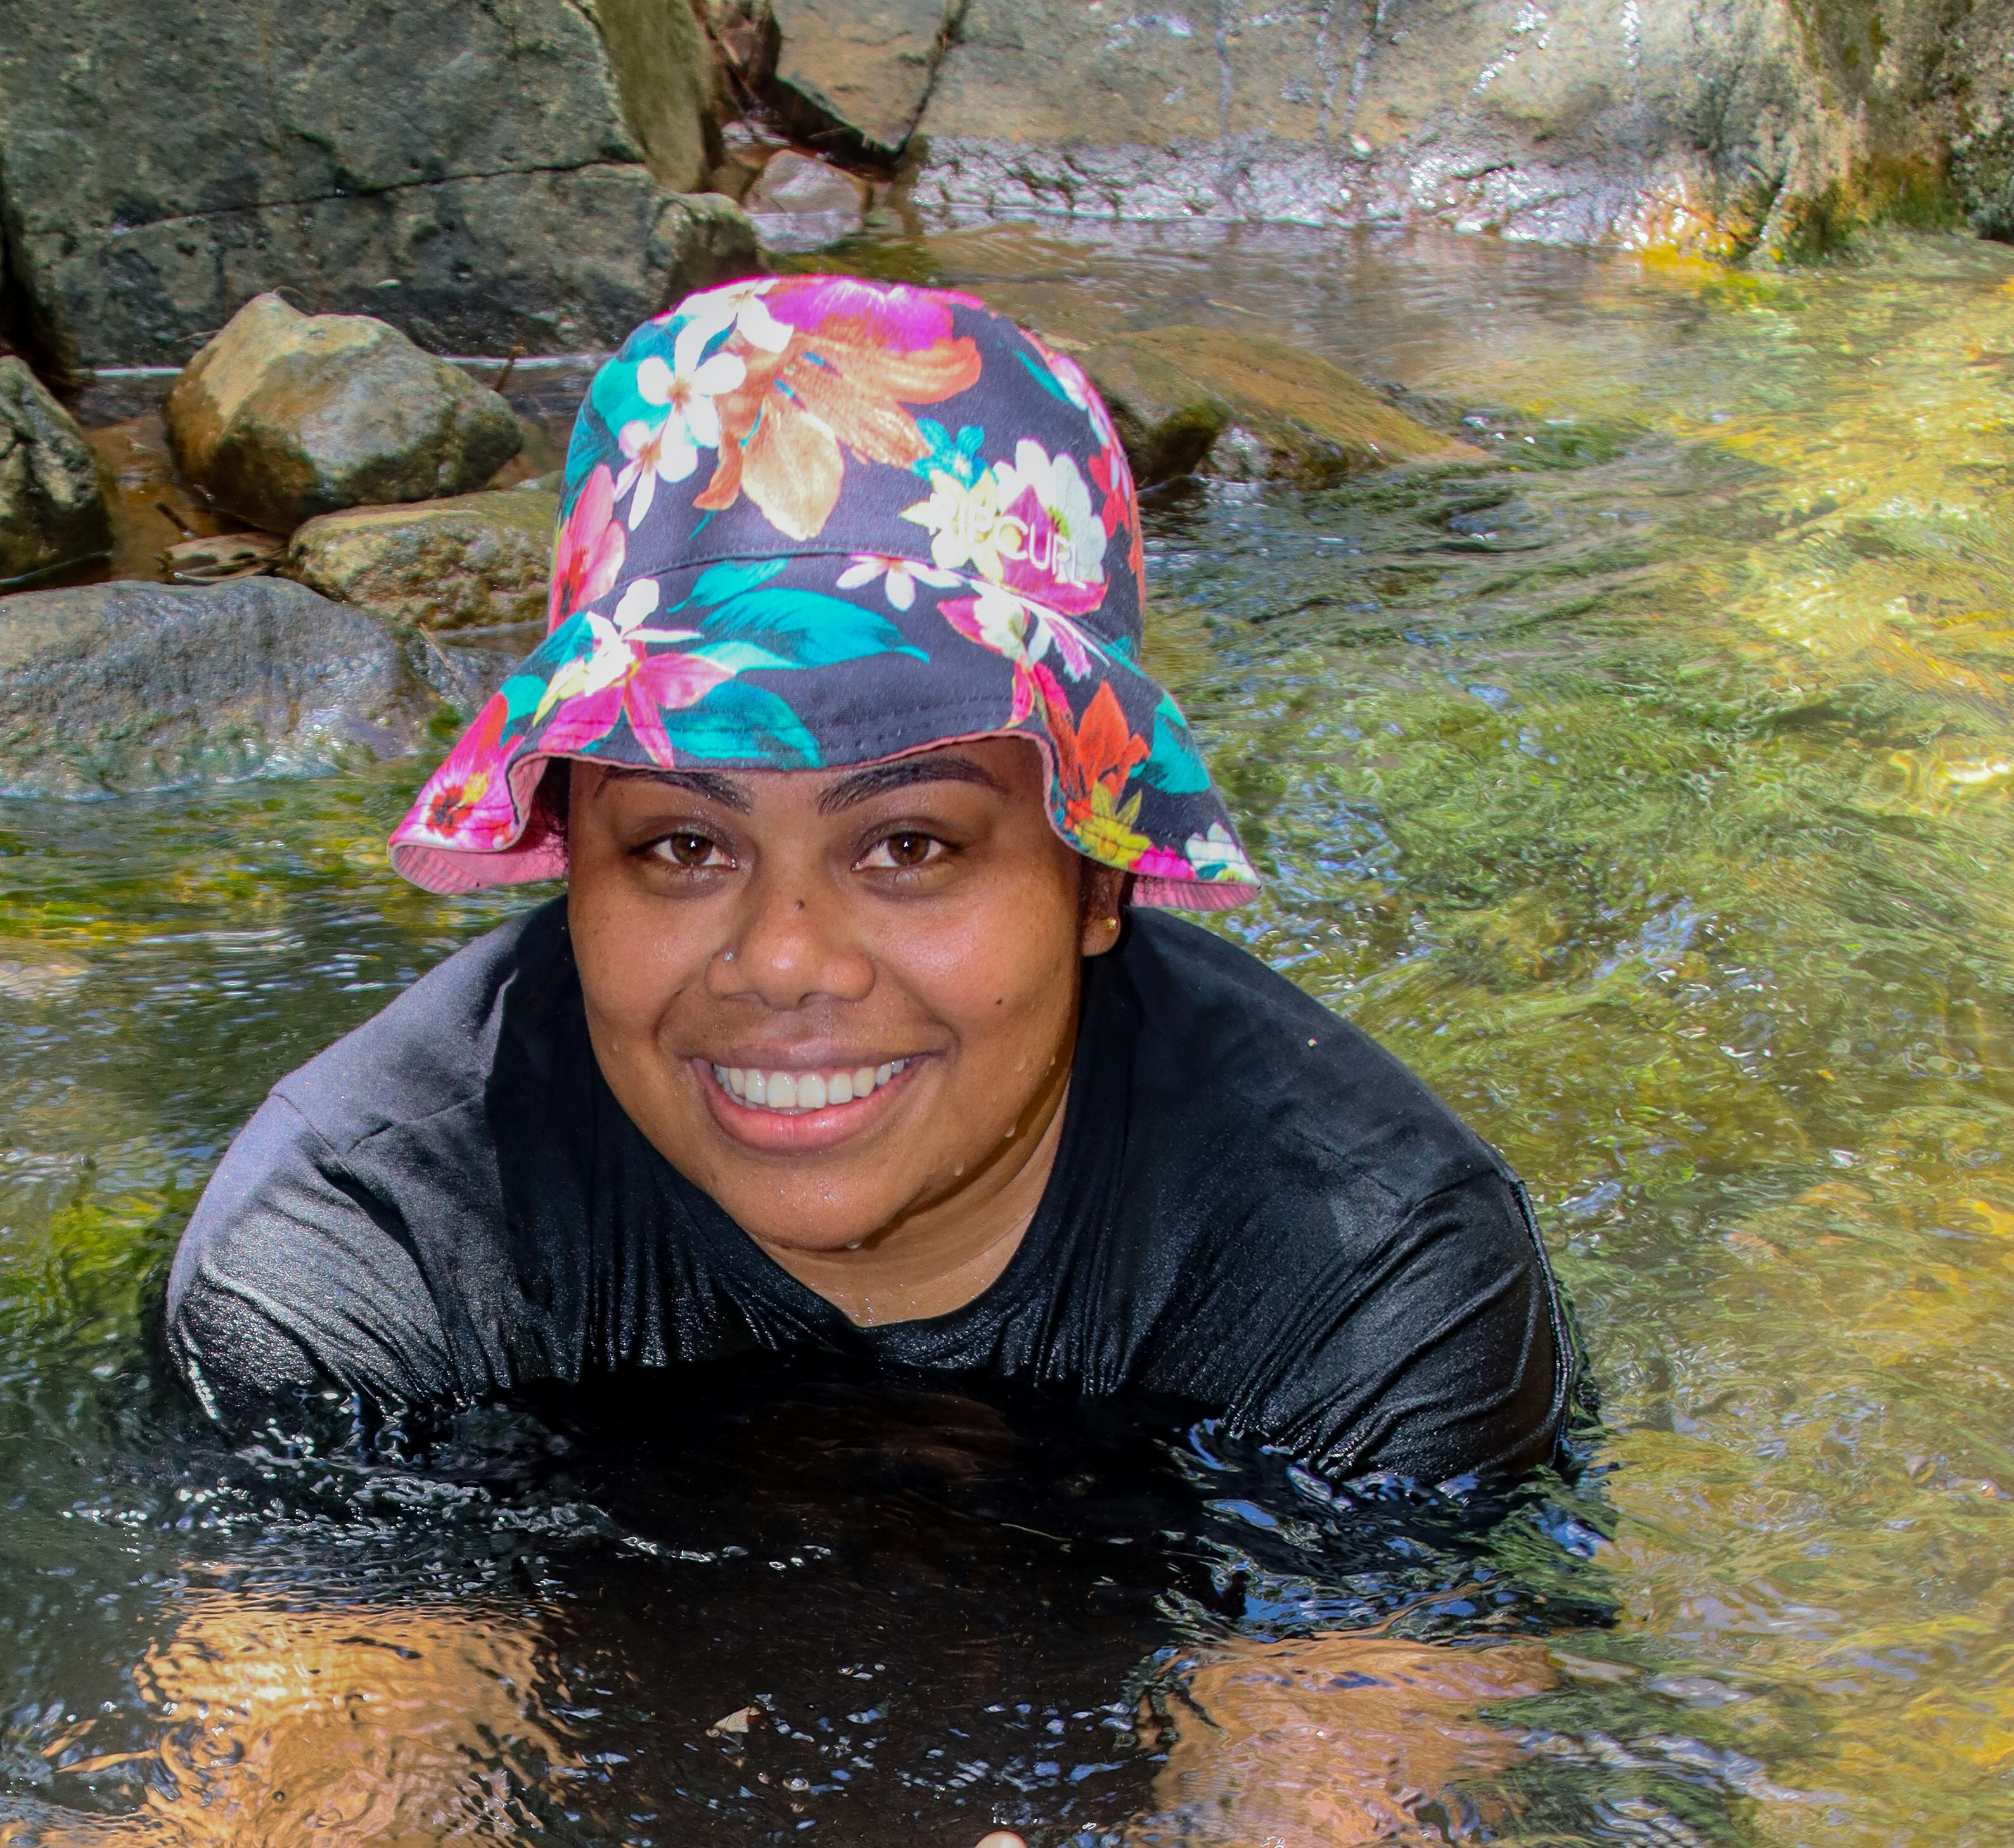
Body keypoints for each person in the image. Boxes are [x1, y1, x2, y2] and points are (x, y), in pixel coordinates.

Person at [164, 273, 1576, 1494]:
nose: (783, 961)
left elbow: (1339, 1794)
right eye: (680, 845)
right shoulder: (358, 1248)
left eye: (911, 845)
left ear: (1100, 878)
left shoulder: (1369, 1272)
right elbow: (322, 1781)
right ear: (568, 857)